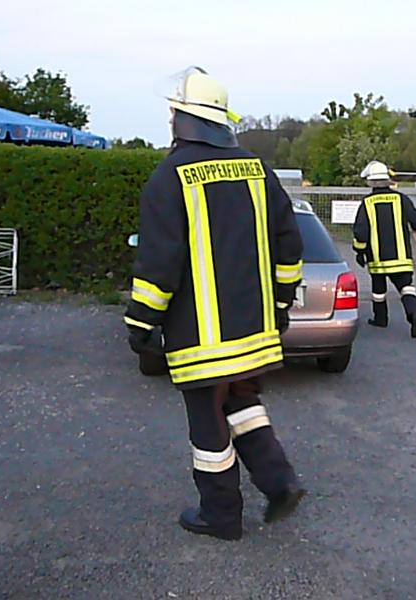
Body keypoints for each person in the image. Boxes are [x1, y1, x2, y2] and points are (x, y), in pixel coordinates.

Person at [124, 67, 306, 541]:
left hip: (201, 338)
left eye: (173, 112)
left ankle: (221, 515)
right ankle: (280, 482)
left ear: (184, 119)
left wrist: (140, 323)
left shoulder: (169, 178)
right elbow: (289, 245)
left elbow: (159, 264)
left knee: (209, 426)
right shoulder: (258, 170)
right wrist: (281, 303)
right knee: (243, 402)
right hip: (256, 329)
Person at [352, 161, 416, 337]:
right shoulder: (401, 199)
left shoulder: (367, 203)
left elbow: (361, 232)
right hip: (401, 258)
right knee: (406, 288)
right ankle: (414, 315)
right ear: (387, 180)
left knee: (379, 292)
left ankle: (381, 319)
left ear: (371, 182)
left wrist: (360, 252)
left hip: (377, 260)